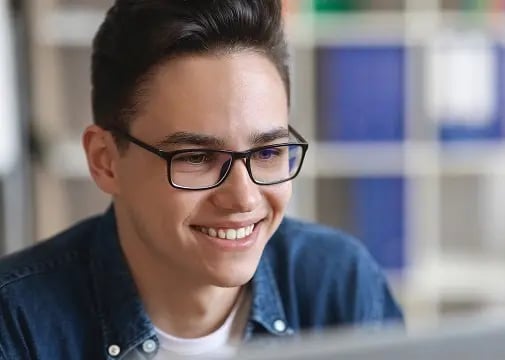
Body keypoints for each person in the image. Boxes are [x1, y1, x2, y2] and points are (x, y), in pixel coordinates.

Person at [0, 0, 403, 358]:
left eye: (266, 153)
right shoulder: (16, 322)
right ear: (106, 161)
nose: (243, 198)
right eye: (197, 157)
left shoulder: (339, 283)